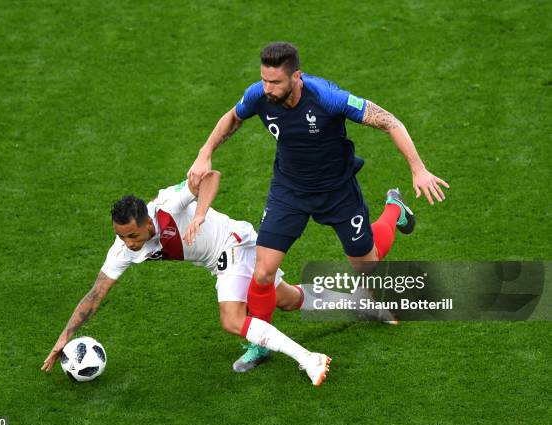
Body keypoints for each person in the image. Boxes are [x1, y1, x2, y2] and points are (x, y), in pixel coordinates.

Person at [187, 41, 449, 340]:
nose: (267, 89)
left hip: (337, 191)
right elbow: (233, 116)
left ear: (296, 77)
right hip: (289, 191)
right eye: (264, 80)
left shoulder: (327, 98)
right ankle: (259, 344)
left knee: (367, 264)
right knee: (263, 272)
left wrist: (418, 169)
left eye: (275, 82)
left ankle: (394, 210)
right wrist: (205, 151)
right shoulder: (259, 95)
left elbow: (389, 122)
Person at [41, 171, 333, 385]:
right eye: (120, 236)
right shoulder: (123, 251)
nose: (127, 243)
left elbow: (211, 177)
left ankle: (309, 358)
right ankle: (368, 305)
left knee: (232, 319)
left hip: (233, 244)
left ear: (147, 223)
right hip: (219, 262)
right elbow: (96, 294)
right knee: (289, 300)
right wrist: (65, 335)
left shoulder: (168, 204)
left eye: (132, 235)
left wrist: (200, 215)